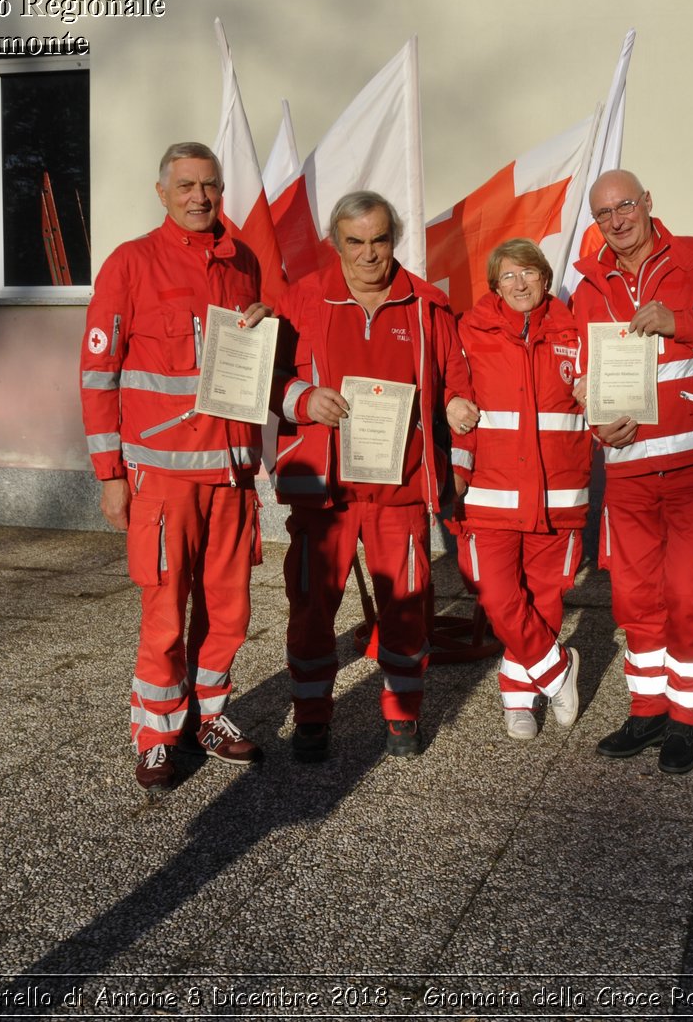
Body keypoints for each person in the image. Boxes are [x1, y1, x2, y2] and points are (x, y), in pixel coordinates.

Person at [79, 142, 272, 794]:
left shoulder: (242, 260)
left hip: (233, 474)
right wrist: (110, 473)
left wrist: (263, 324)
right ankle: (157, 735)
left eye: (210, 185)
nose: (200, 196)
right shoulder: (130, 264)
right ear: (161, 192)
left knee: (230, 609)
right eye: (186, 185)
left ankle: (208, 716)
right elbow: (97, 376)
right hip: (162, 481)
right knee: (165, 611)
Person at [570, 169, 693, 775]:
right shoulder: (586, 287)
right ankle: (647, 709)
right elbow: (582, 379)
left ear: (649, 202)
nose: (617, 220)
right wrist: (597, 427)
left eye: (625, 205)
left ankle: (686, 717)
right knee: (634, 597)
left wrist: (682, 323)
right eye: (604, 213)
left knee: (687, 595)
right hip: (629, 468)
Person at [270, 191, 475, 761]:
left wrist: (457, 413)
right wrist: (302, 398)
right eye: (354, 242)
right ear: (336, 244)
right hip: (324, 494)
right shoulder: (300, 300)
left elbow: (457, 382)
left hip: (401, 491)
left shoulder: (428, 306)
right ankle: (312, 718)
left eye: (379, 240)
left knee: (408, 607)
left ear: (395, 239)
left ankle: (402, 716)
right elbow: (266, 376)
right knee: (311, 609)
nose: (367, 254)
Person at [449, 239, 592, 740]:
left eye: (528, 272)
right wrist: (450, 402)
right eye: (507, 276)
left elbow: (612, 394)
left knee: (545, 595)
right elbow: (448, 381)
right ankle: (556, 673)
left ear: (545, 278)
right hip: (490, 493)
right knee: (497, 593)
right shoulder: (469, 329)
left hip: (559, 492)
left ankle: (517, 698)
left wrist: (599, 391)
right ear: (494, 286)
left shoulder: (577, 329)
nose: (519, 283)